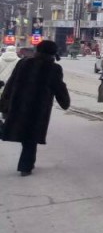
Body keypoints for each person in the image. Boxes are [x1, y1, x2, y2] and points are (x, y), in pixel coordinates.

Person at [0, 40, 71, 176]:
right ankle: (25, 167)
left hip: (18, 105)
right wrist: (65, 102)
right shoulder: (54, 68)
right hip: (38, 109)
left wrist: (4, 102)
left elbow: (11, 83)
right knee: (30, 137)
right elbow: (59, 88)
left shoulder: (23, 63)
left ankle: (26, 165)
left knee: (18, 132)